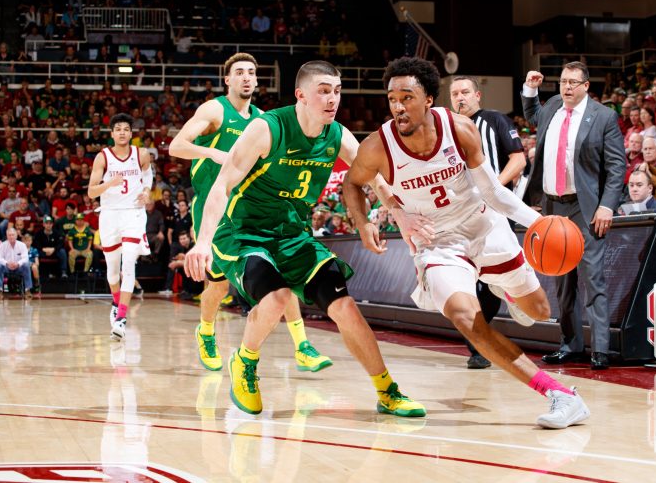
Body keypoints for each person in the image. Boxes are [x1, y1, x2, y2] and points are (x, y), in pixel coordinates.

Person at [344, 56, 590, 429]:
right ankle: (560, 395)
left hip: (482, 226)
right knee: (465, 317)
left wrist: (539, 221)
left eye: (406, 98)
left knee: (539, 312)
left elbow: (493, 192)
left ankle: (506, 289)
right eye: (392, 98)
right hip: (436, 242)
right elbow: (352, 183)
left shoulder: (459, 129)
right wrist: (368, 222)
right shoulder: (378, 145)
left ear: (428, 99)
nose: (397, 107)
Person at [185, 60, 425, 419]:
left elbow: (372, 178)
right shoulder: (267, 128)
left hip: (293, 234)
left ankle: (386, 390)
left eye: (338, 91)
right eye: (324, 91)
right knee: (277, 296)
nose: (333, 99)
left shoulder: (338, 135)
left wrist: (399, 213)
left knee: (345, 306)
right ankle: (245, 362)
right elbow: (222, 185)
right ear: (301, 95)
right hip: (244, 231)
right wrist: (202, 242)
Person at [169, 53, 332, 373]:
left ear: (257, 81)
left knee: (282, 270)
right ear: (227, 80)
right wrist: (213, 153)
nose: (246, 77)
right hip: (213, 205)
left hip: (249, 206)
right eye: (239, 72)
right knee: (216, 284)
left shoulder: (264, 119)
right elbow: (177, 146)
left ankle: (302, 345)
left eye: (252, 72)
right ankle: (205, 330)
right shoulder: (215, 110)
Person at [522, 61, 626, 370]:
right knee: (561, 280)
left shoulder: (604, 116)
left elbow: (617, 166)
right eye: (563, 82)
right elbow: (532, 117)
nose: (566, 87)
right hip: (553, 205)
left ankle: (601, 349)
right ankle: (570, 345)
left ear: (585, 87)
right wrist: (531, 89)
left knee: (592, 278)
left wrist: (607, 205)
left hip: (586, 207)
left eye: (572, 83)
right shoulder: (553, 104)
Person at [448, 75, 527, 369]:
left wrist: (492, 189)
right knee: (468, 279)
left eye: (465, 92)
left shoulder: (495, 120)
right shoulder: (445, 131)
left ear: (477, 95)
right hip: (459, 214)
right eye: (454, 93)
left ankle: (481, 339)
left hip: (493, 211)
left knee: (489, 278)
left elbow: (518, 160)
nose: (460, 98)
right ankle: (478, 343)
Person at [88, 113, 152, 342]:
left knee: (129, 263)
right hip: (109, 216)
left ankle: (121, 318)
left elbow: (148, 177)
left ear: (131, 133)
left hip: (133, 214)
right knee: (112, 271)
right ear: (112, 133)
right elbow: (91, 192)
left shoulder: (141, 154)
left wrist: (145, 192)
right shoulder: (102, 157)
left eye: (127, 128)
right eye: (119, 129)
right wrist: (108, 183)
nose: (123, 132)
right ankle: (116, 303)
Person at [0, 227, 33, 299]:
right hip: (6, 267)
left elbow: (25, 258)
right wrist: (7, 263)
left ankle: (27, 290)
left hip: (18, 267)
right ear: (6, 236)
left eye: (13, 235)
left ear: (16, 235)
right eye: (9, 235)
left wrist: (18, 264)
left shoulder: (22, 245)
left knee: (26, 265)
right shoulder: (2, 245)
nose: (11, 236)